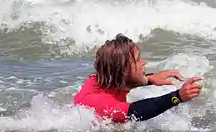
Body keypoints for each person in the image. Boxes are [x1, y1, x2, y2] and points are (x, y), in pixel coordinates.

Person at [73, 33, 203, 123]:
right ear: (123, 70)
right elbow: (136, 111)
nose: (144, 63)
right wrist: (177, 97)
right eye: (138, 60)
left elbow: (123, 80)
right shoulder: (104, 104)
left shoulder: (98, 80)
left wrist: (149, 79)